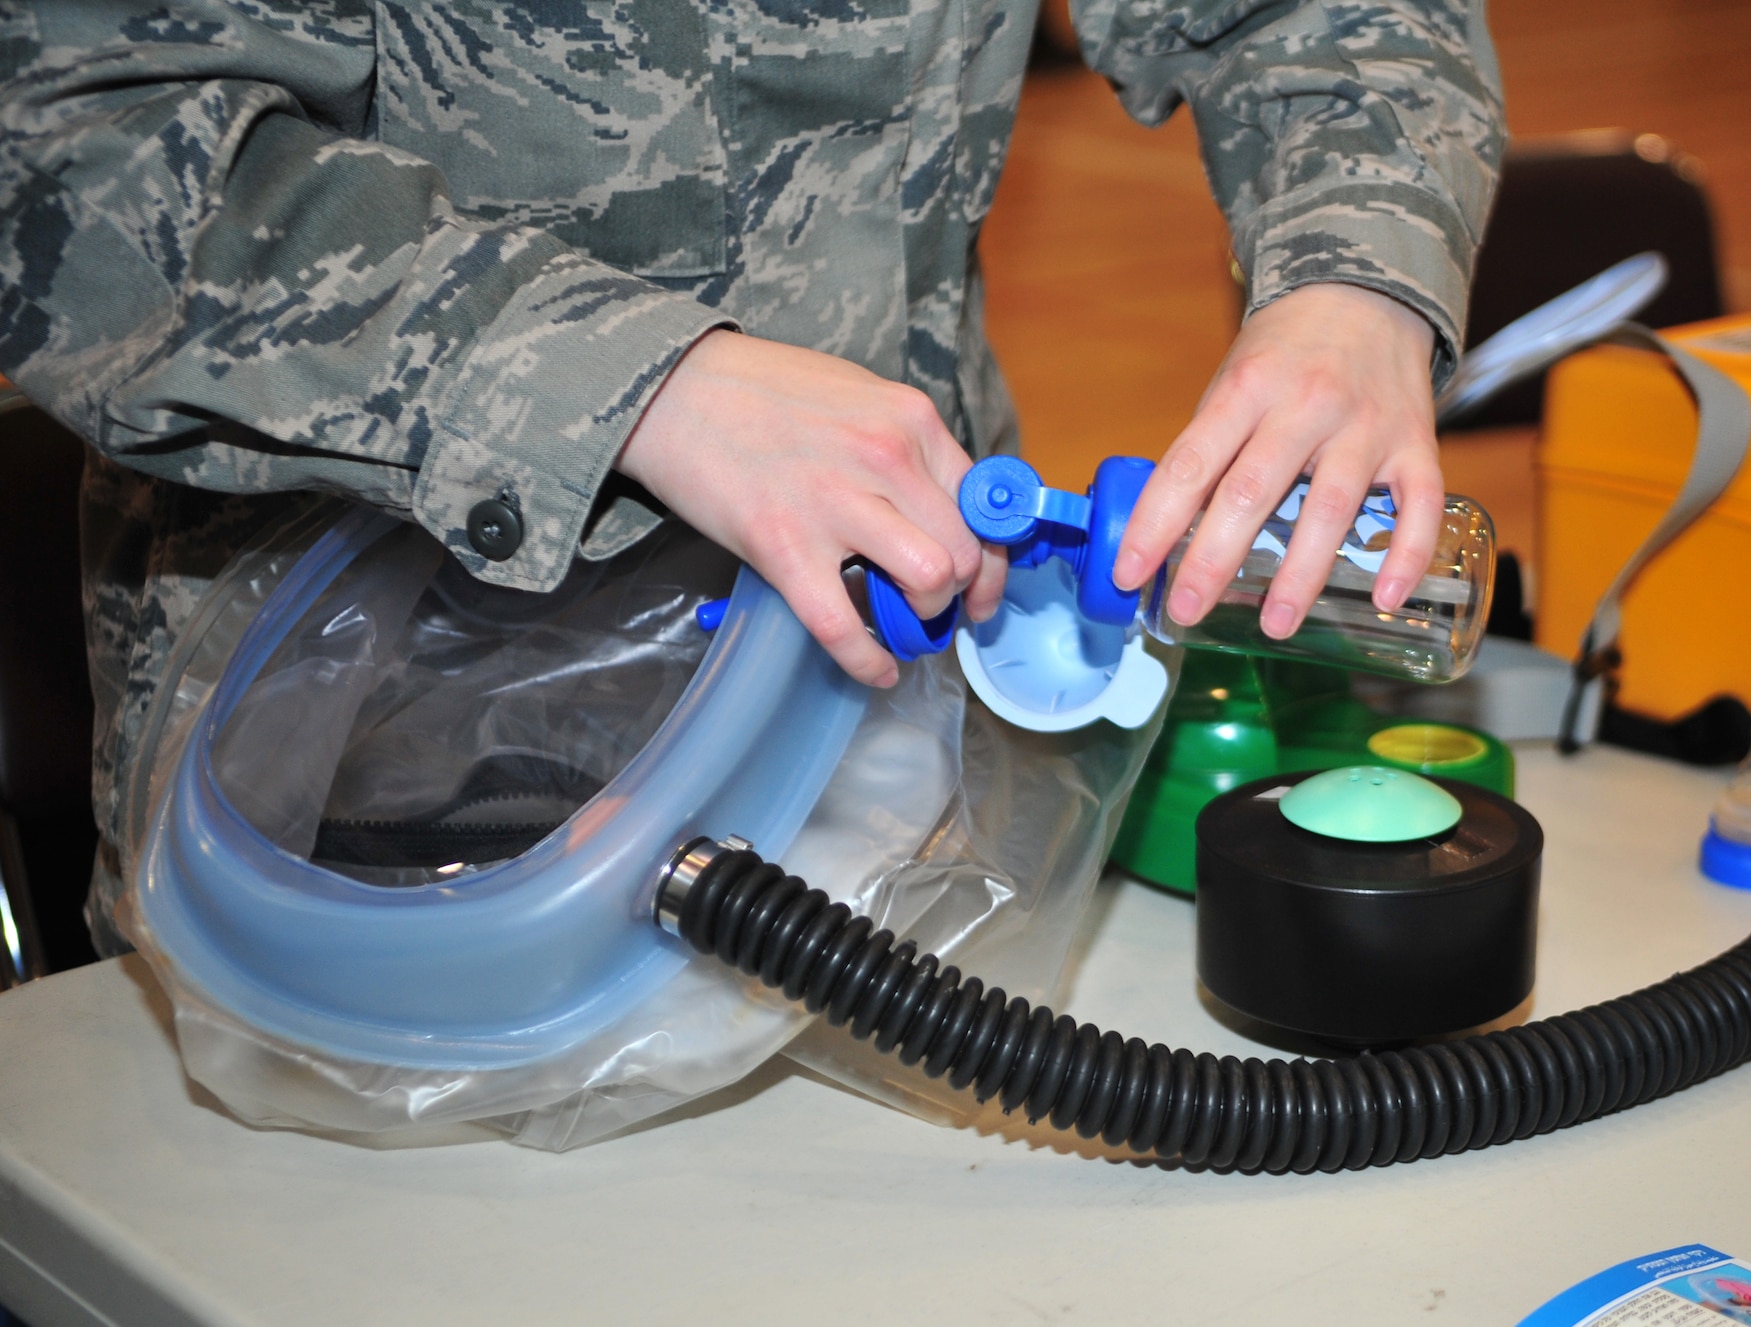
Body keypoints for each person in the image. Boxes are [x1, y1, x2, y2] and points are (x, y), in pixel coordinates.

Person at [0, 1, 1504, 951]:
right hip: (375, 792)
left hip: (902, 740)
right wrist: (629, 380)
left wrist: (1359, 281)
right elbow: (70, 156)